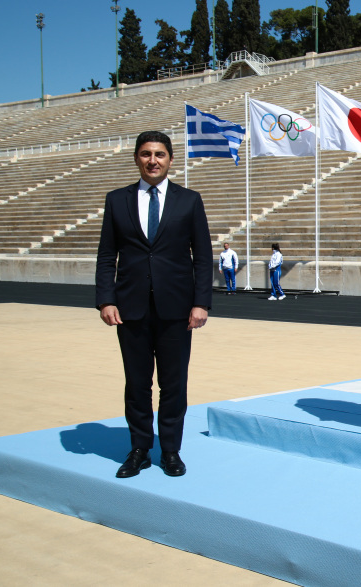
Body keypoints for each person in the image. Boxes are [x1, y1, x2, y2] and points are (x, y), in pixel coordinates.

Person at [96, 130, 213, 479]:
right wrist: (106, 299)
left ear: (170, 160)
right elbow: (107, 255)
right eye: (146, 154)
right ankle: (139, 449)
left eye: (159, 154)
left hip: (176, 309)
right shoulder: (116, 200)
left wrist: (201, 303)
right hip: (130, 307)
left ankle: (171, 450)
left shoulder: (189, 200)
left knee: (173, 384)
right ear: (136, 158)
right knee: (137, 384)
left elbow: (202, 256)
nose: (153, 160)